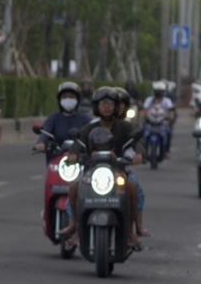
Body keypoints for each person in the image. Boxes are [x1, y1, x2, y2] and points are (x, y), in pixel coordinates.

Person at [60, 87, 146, 250]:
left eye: (110, 103)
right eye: (103, 103)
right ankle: (75, 226)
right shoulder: (89, 128)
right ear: (96, 106)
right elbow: (77, 144)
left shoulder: (125, 127)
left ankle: (129, 231)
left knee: (133, 187)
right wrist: (74, 155)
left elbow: (138, 142)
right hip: (92, 172)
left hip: (119, 171)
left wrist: (139, 154)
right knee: (73, 188)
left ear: (116, 106)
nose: (107, 106)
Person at [34, 81, 93, 150]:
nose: (68, 99)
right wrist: (41, 142)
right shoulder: (53, 118)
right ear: (59, 100)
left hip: (80, 157)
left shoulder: (85, 118)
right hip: (56, 157)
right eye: (64, 97)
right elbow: (45, 131)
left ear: (78, 100)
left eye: (71, 97)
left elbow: (94, 132)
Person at [142, 81, 177, 159]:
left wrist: (170, 118)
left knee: (169, 133)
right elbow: (145, 110)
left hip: (163, 123)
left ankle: (167, 151)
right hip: (150, 123)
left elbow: (171, 111)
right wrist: (143, 118)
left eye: (160, 92)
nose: (158, 94)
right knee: (142, 133)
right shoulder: (149, 100)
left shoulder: (167, 101)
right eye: (157, 92)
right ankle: (142, 152)